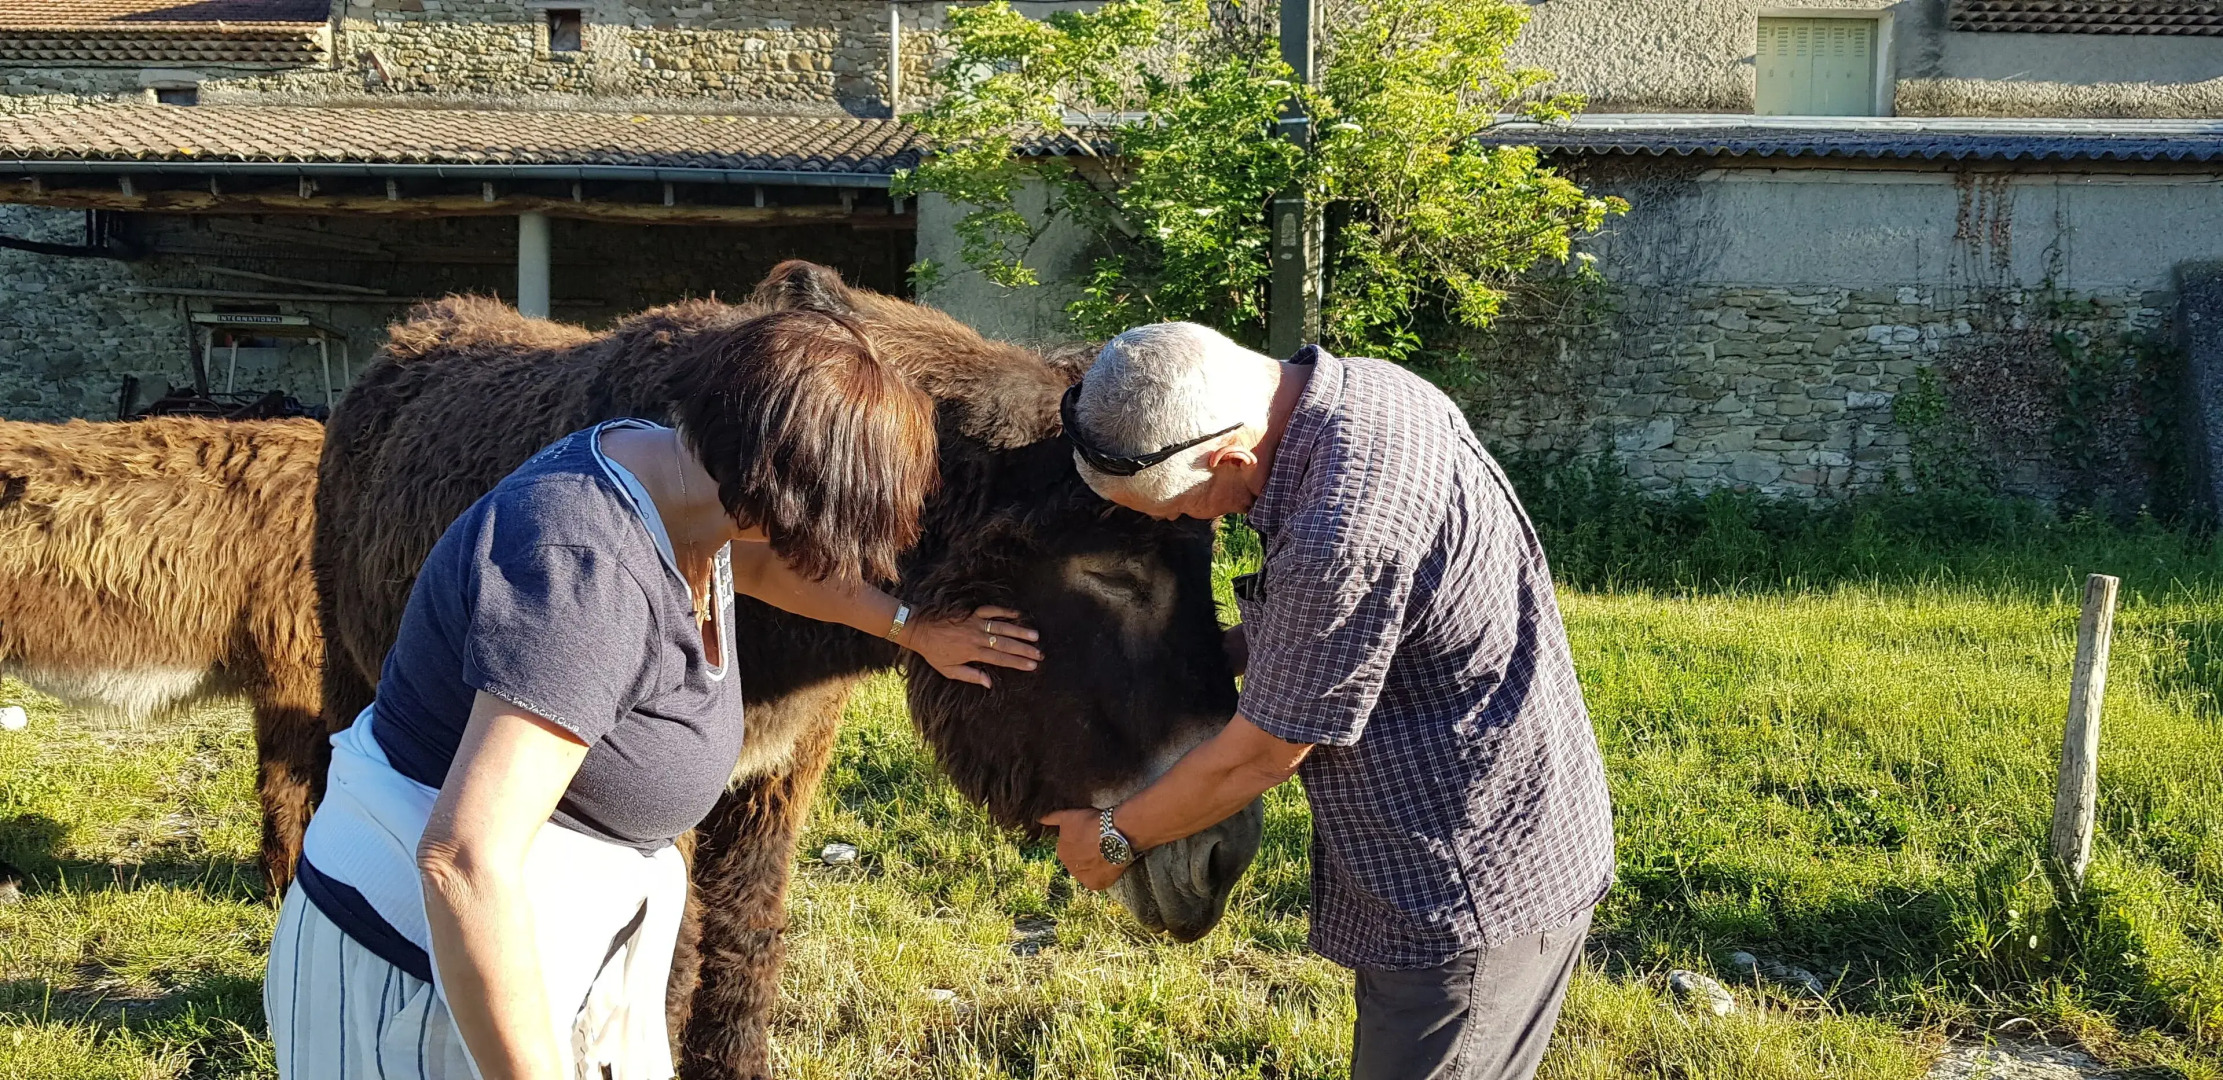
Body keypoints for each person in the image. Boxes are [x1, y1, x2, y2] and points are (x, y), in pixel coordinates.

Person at [264, 310, 1042, 1080]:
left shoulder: (674, 477)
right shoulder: (583, 571)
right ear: (782, 494)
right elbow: (466, 860)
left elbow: (768, 562)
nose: (849, 552)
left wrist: (909, 625)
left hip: (548, 945)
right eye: (845, 522)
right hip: (432, 979)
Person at [1040, 323, 1615, 1080]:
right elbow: (1380, 617)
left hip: (1465, 888)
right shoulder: (1372, 391)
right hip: (1507, 817)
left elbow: (1262, 754)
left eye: (1182, 508)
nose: (1187, 522)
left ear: (1232, 456)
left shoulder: (1338, 534)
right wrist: (1219, 654)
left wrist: (1113, 837)